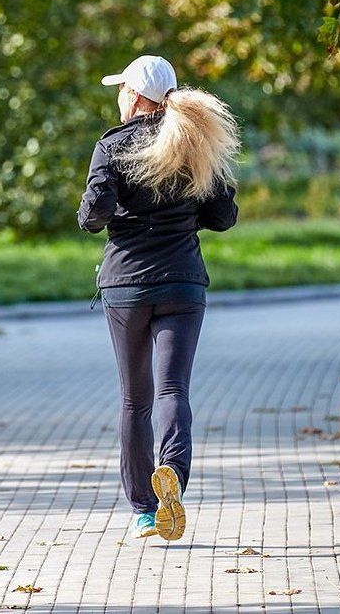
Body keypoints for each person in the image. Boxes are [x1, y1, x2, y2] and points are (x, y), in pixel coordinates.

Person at [77, 54, 240, 542]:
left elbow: (93, 217)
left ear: (132, 93)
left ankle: (145, 512)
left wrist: (104, 202)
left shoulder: (113, 144)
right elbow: (223, 216)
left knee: (134, 400)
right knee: (174, 391)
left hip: (126, 286)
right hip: (183, 283)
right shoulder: (195, 142)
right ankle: (173, 475)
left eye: (121, 88)